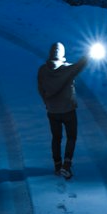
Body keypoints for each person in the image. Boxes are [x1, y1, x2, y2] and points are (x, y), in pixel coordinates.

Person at [37, 41, 89, 178]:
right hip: (68, 111)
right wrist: (90, 53)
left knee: (56, 138)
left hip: (52, 111)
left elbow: (40, 89)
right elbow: (81, 64)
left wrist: (47, 103)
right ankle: (66, 166)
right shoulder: (68, 69)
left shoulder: (42, 70)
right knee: (71, 137)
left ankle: (57, 166)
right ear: (62, 53)